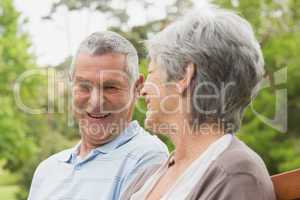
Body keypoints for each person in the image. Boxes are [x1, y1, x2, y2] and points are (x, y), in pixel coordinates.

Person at [128, 4, 276, 200]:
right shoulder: (149, 175)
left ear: (184, 76)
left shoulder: (237, 175)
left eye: (152, 74)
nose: (143, 90)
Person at [28, 31, 168, 200]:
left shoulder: (147, 157)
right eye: (84, 86)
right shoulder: (47, 170)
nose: (95, 102)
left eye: (110, 87)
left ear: (137, 87)